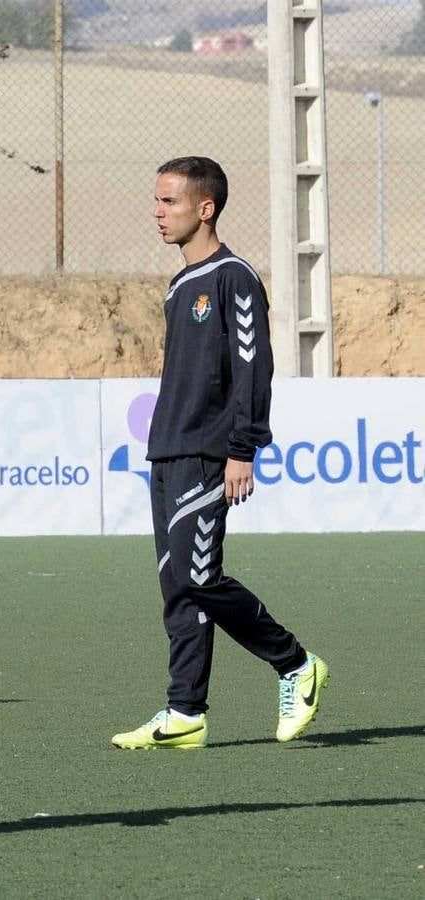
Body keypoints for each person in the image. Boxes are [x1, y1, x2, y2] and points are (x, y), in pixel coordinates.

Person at [112, 157, 328, 750]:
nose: (158, 212)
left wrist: (242, 448)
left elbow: (254, 367)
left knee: (199, 576)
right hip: (168, 452)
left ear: (204, 208)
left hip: (210, 454)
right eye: (157, 201)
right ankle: (185, 712)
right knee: (177, 586)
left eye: (170, 202)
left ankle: (295, 663)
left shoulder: (235, 277)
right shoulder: (180, 284)